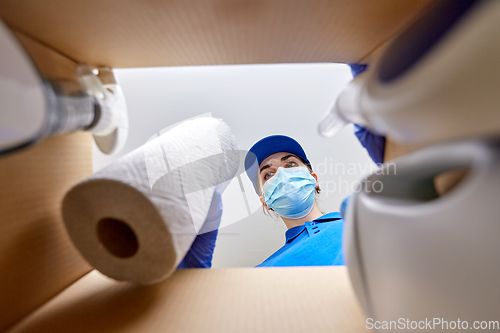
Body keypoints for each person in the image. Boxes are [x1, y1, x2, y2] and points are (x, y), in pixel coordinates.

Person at [244, 135, 344, 267]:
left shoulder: (361, 223)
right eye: (268, 174)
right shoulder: (265, 271)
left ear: (314, 179)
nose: (282, 174)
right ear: (265, 201)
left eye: (290, 164)